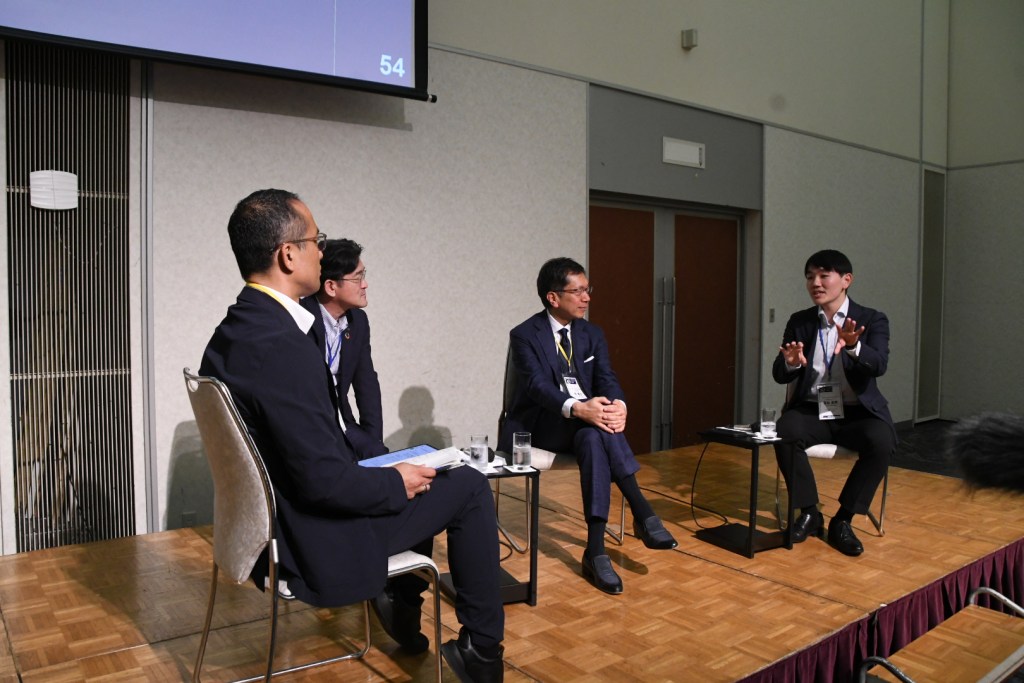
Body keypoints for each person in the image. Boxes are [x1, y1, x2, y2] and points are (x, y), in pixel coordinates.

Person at [199, 189, 504, 683]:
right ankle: (482, 653)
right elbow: (324, 483)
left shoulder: (233, 330)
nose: (322, 250)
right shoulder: (283, 346)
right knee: (467, 484)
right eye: (315, 239)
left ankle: (404, 606)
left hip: (278, 525)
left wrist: (387, 470)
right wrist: (394, 481)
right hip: (315, 538)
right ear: (288, 254)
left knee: (419, 474)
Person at [499, 257, 677, 595]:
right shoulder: (524, 335)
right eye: (578, 291)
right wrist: (580, 409)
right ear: (553, 298)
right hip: (541, 427)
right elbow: (537, 387)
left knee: (594, 437)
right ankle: (642, 511)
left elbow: (607, 378)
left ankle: (595, 551)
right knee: (594, 429)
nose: (587, 297)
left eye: (587, 289)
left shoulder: (592, 333)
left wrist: (619, 406)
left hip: (585, 427)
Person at [772, 249, 896, 557]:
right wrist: (791, 363)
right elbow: (779, 373)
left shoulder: (872, 319)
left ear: (846, 280)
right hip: (813, 409)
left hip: (857, 413)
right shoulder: (800, 321)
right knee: (785, 430)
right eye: (809, 277)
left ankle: (844, 519)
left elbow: (879, 364)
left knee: (882, 440)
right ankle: (809, 513)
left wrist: (854, 347)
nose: (815, 283)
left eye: (823, 275)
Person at [301, 238, 387, 458]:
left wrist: (373, 441)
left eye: (363, 275)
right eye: (357, 278)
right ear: (331, 286)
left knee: (380, 457)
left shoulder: (358, 321)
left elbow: (366, 383)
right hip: (308, 428)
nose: (365, 285)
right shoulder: (301, 319)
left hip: (342, 423)